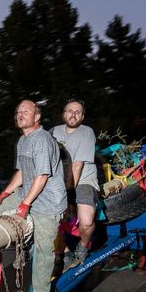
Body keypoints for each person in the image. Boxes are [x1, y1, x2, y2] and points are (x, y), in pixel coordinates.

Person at [0, 100, 67, 292]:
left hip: (48, 200)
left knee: (43, 251)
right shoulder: (23, 141)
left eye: (26, 111)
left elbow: (41, 176)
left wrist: (24, 205)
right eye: (18, 111)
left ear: (37, 117)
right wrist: (5, 193)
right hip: (29, 192)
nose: (20, 114)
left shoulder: (41, 139)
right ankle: (24, 243)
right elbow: (22, 173)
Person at [50, 99, 99, 267]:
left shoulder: (86, 132)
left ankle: (83, 246)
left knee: (86, 222)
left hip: (83, 180)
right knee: (49, 220)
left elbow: (77, 166)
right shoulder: (53, 132)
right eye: (70, 110)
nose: (73, 114)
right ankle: (62, 253)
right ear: (64, 114)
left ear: (83, 117)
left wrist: (68, 195)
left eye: (78, 112)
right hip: (59, 182)